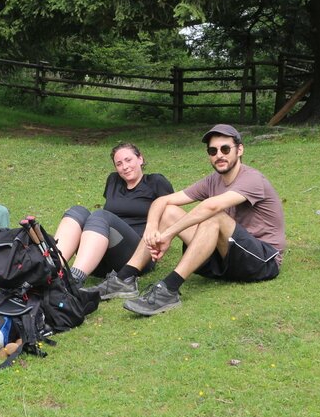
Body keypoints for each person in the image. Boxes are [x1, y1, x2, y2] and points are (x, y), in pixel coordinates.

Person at [123, 124, 286, 317]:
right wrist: (151, 228)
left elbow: (211, 207)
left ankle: (169, 289)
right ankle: (125, 277)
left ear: (240, 149)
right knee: (168, 211)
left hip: (261, 261)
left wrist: (169, 234)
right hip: (226, 258)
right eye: (213, 150)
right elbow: (162, 200)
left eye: (225, 149)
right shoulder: (213, 180)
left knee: (213, 216)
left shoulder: (252, 179)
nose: (219, 155)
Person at [53, 143, 174, 299]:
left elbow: (171, 215)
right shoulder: (113, 180)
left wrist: (161, 239)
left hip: (138, 255)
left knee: (101, 215)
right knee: (77, 211)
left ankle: (74, 279)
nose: (125, 166)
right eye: (119, 163)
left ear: (140, 159)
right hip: (102, 260)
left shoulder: (155, 182)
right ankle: (53, 271)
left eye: (128, 160)